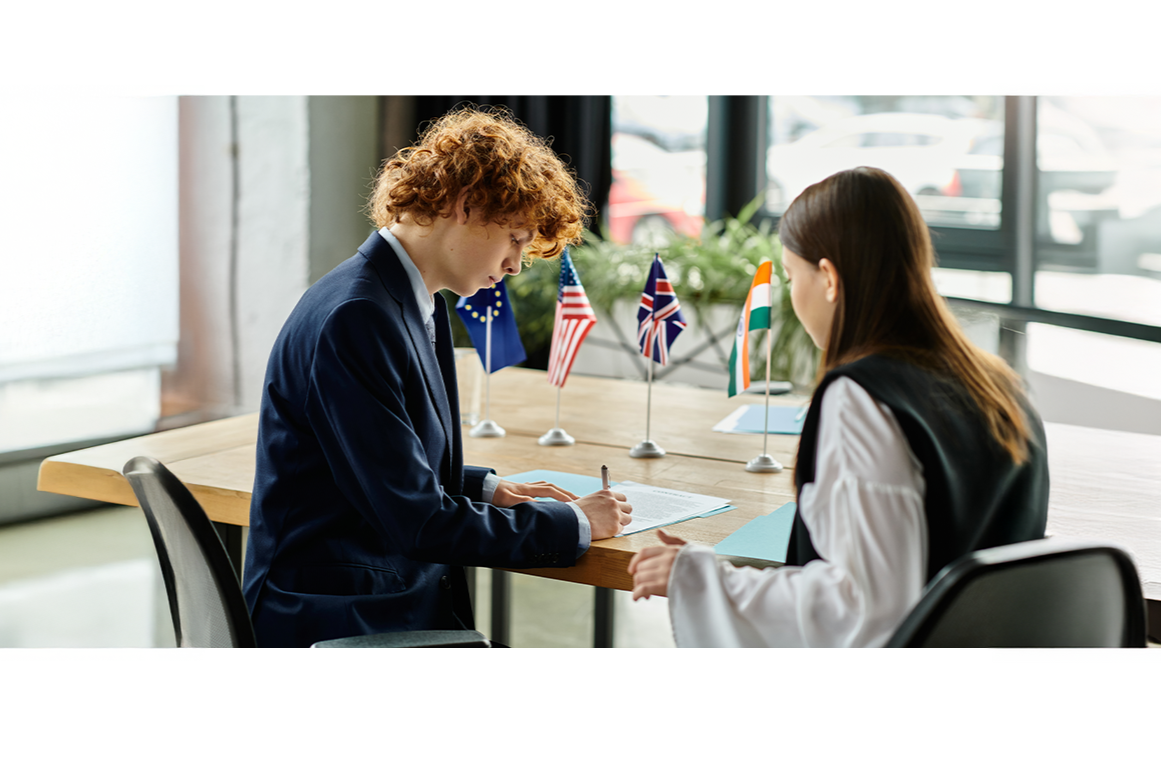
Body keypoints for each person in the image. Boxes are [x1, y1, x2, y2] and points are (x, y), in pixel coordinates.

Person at [242, 107, 631, 647]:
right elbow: (418, 522)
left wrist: (489, 489)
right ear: (465, 206)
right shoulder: (357, 316)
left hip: (374, 590)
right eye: (516, 238)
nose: (518, 263)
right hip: (339, 613)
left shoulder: (402, 299)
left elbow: (384, 465)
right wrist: (576, 524)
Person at [627, 166, 1049, 647]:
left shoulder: (860, 399)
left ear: (828, 277)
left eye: (790, 276)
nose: (792, 294)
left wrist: (702, 577)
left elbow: (863, 609)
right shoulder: (1002, 386)